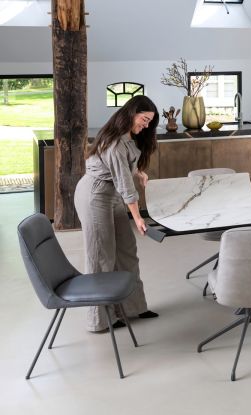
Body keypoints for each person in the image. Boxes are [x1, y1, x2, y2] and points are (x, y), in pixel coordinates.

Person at [74, 95, 159, 332]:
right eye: (144, 119)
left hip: (111, 195)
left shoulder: (130, 137)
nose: (146, 125)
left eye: (149, 121)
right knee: (101, 256)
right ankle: (100, 320)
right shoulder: (114, 142)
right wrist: (138, 217)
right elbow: (124, 184)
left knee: (126, 251)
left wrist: (139, 171)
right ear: (132, 113)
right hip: (95, 195)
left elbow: (125, 168)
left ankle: (133, 307)